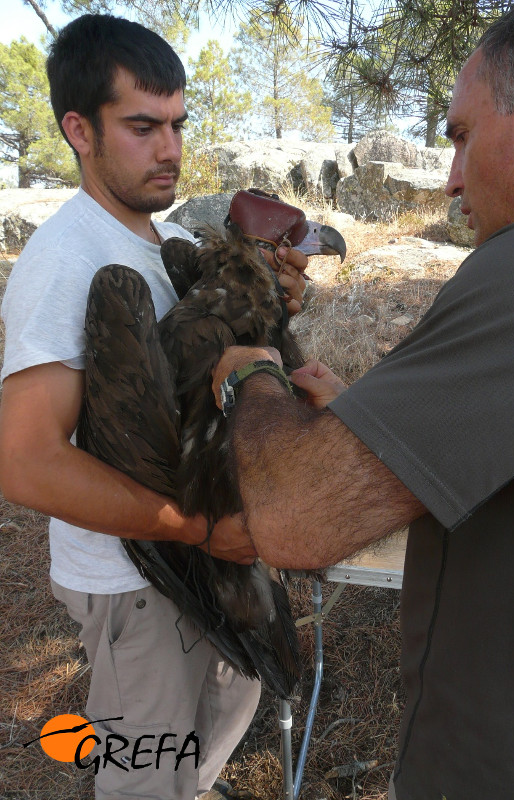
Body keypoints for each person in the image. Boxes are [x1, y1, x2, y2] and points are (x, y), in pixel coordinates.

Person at [211, 0, 514, 797]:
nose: (452, 179)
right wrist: (383, 426)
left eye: (459, 136)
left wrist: (247, 371)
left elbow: (294, 515)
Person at [0, 14, 305, 800]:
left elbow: (185, 384)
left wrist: (263, 308)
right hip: (134, 578)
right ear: (80, 130)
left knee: (221, 713)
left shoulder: (160, 240)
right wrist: (198, 529)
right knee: (145, 773)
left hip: (197, 556)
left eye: (176, 124)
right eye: (141, 127)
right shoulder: (68, 260)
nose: (169, 148)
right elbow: (25, 460)